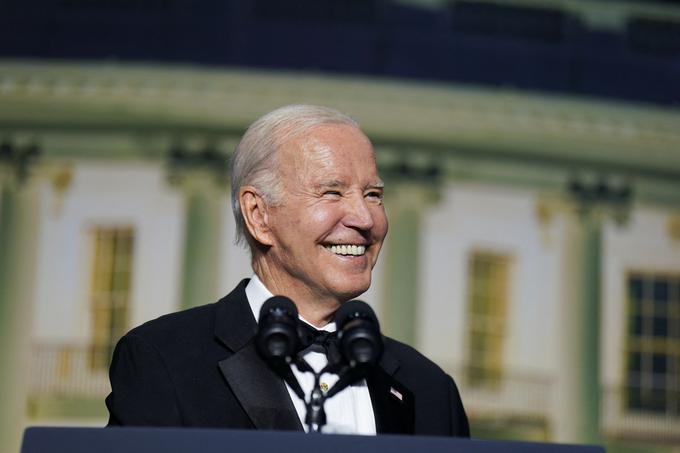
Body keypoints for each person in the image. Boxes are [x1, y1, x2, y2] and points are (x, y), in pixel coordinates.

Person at [105, 104, 469, 436]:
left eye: (373, 195)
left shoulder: (431, 390)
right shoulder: (164, 360)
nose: (365, 218)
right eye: (332, 192)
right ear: (259, 216)